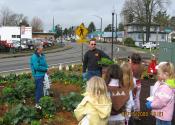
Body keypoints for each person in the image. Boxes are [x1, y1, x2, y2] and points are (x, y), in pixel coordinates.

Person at [30, 42, 48, 109]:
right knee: (39, 90)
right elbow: (36, 67)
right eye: (41, 46)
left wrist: (47, 68)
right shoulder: (34, 57)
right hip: (38, 76)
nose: (42, 47)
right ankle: (37, 104)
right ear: (38, 48)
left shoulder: (42, 55)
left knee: (44, 89)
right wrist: (45, 69)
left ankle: (42, 102)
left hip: (43, 74)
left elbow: (45, 63)